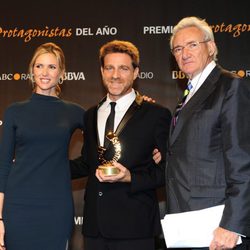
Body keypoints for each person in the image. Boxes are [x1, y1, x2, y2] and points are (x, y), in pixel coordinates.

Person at [154, 16, 250, 250]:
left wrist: (233, 225)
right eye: (178, 48)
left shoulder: (230, 86)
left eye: (192, 45)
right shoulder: (189, 94)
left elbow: (242, 161)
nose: (184, 53)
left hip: (217, 227)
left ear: (211, 47)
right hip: (186, 222)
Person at [70, 40, 172, 250]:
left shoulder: (156, 115)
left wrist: (130, 178)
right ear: (101, 71)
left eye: (123, 68)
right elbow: (87, 163)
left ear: (135, 73)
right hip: (94, 227)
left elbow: (167, 172)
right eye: (109, 68)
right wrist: (38, 165)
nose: (115, 75)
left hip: (134, 226)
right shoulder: (90, 115)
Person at [0, 42, 85, 250]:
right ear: (32, 70)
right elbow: (3, 166)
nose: (44, 72)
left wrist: (138, 108)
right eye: (39, 66)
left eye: (52, 67)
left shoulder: (75, 112)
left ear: (62, 73)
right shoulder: (14, 112)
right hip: (18, 206)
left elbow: (107, 134)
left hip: (56, 207)